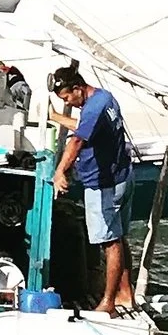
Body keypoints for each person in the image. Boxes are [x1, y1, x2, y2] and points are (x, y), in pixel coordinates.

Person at [51, 63, 135, 315]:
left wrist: (60, 171)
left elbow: (77, 139)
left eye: (67, 98)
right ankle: (125, 293)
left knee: (109, 242)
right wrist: (56, 117)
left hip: (104, 185)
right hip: (122, 176)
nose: (69, 103)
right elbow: (86, 125)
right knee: (118, 236)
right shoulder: (104, 98)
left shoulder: (93, 108)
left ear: (78, 88)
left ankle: (108, 303)